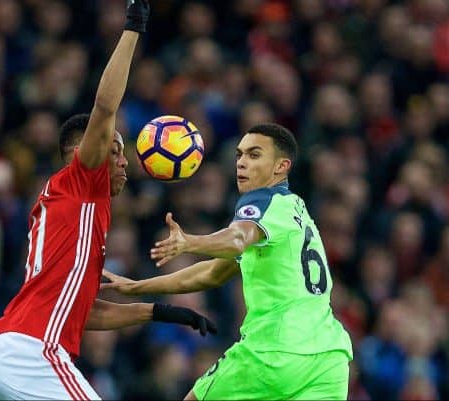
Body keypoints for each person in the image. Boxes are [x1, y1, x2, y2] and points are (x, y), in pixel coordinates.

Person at [0, 2, 216, 400]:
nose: (123, 160)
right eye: (115, 149)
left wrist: (160, 312)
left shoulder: (72, 212)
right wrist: (133, 28)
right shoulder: (83, 180)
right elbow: (105, 107)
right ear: (82, 151)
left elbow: (84, 313)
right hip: (32, 352)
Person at [102, 123, 354, 400]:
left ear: (281, 167)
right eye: (239, 155)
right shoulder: (294, 211)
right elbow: (213, 273)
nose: (242, 163)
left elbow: (236, 238)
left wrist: (190, 242)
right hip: (329, 358)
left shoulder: (264, 202)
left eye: (254, 155)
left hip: (273, 352)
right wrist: (139, 286)